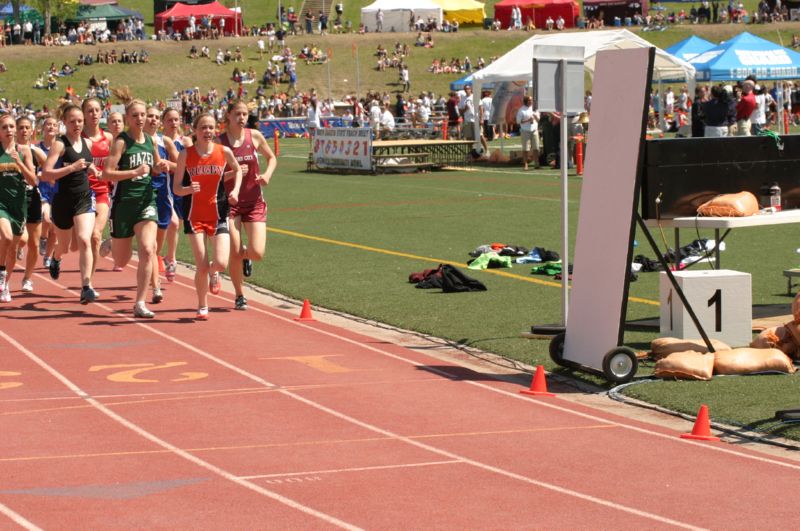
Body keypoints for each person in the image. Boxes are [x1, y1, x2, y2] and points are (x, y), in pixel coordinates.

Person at [102, 99, 170, 318]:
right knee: (121, 260)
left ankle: (140, 302)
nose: (140, 118)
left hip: (146, 202)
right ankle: (113, 243)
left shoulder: (151, 140)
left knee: (148, 249)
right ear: (127, 118)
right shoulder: (121, 142)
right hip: (123, 205)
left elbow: (156, 168)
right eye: (135, 115)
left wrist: (160, 167)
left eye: (143, 114)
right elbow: (107, 173)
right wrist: (133, 172)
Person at [174, 113, 241, 319]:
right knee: (201, 265)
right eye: (203, 127)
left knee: (221, 263)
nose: (207, 131)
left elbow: (237, 170)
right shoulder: (186, 155)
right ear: (195, 130)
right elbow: (176, 188)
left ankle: (215, 272)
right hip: (194, 215)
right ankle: (202, 305)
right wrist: (187, 190)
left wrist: (235, 191)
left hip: (219, 212)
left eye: (211, 127)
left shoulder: (224, 151)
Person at [218, 100, 276, 311]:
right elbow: (214, 175)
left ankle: (246, 258)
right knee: (233, 250)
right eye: (237, 114)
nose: (242, 118)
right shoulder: (220, 142)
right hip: (230, 202)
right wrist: (233, 173)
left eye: (244, 114)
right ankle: (239, 294)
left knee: (258, 252)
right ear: (229, 116)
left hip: (254, 202)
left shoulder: (255, 136)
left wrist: (267, 174)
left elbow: (272, 158)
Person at [41, 104, 99, 304]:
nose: (76, 124)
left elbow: (86, 163)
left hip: (83, 197)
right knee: (64, 246)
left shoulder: (87, 144)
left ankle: (86, 286)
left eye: (80, 121)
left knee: (84, 239)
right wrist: (72, 168)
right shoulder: (60, 144)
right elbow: (46, 173)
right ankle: (56, 258)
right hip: (62, 201)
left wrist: (91, 169)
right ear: (64, 122)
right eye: (72, 121)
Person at [144, 106, 179, 304]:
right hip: (142, 195)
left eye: (157, 117)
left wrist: (168, 165)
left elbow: (180, 166)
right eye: (151, 116)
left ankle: (156, 270)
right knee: (149, 246)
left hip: (163, 196)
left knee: (155, 247)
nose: (153, 120)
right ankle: (156, 286)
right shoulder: (135, 141)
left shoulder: (165, 141)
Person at [0, 114, 36, 303]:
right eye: (4, 127)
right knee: (5, 237)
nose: (9, 130)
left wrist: (19, 162)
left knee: (13, 248)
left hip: (18, 205)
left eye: (11, 126)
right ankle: (0, 271)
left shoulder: (24, 151)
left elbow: (34, 181)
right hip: (1, 204)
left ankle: (5, 285)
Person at [82, 98, 114, 277]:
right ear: (84, 114)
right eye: (89, 110)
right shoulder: (78, 138)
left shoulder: (108, 138)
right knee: (74, 242)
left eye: (96, 110)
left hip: (102, 191)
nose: (94, 114)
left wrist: (109, 174)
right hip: (81, 193)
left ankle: (88, 282)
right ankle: (56, 254)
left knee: (95, 236)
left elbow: (115, 164)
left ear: (102, 112)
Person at [14, 116, 46, 294]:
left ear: (32, 131)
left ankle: (27, 278)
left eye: (27, 128)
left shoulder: (35, 152)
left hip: (33, 197)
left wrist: (42, 175)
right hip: (14, 198)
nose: (24, 131)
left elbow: (49, 166)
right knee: (23, 238)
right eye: (21, 127)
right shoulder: (8, 150)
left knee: (33, 243)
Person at [161, 108, 192, 282]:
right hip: (164, 189)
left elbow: (187, 166)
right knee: (172, 224)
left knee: (176, 226)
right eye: (169, 120)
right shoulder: (159, 141)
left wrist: (170, 165)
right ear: (163, 122)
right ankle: (171, 259)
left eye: (176, 119)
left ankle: (168, 256)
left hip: (181, 188)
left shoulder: (185, 141)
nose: (173, 123)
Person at [37, 116, 59, 268]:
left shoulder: (61, 148)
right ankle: (42, 238)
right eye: (48, 124)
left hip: (58, 192)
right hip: (43, 191)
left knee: (55, 230)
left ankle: (48, 256)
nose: (51, 127)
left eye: (54, 125)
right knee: (46, 219)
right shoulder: (38, 149)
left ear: (58, 128)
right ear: (43, 128)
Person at [516, 95, 540, 170]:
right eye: (530, 100)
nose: (531, 101)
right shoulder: (521, 110)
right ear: (526, 101)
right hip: (525, 131)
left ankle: (536, 163)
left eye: (532, 100)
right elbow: (518, 121)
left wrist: (535, 117)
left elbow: (538, 119)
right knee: (526, 149)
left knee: (536, 148)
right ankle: (525, 164)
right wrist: (528, 120)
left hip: (534, 130)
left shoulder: (535, 109)